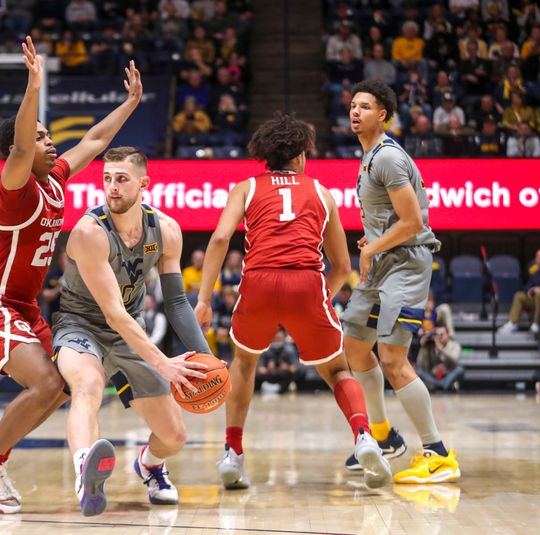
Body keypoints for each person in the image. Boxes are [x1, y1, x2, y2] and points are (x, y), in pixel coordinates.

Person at [0, 37, 144, 514]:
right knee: (44, 384)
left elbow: (94, 142)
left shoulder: (55, 180)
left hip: (23, 307)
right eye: (41, 137)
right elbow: (21, 143)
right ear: (18, 151)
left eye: (46, 136)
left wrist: (129, 103)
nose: (49, 141)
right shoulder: (14, 188)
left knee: (61, 386)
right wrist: (33, 84)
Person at [194, 111, 391, 491]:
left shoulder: (247, 187)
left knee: (245, 363)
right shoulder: (321, 192)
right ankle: (365, 437)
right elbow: (342, 265)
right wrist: (315, 300)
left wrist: (204, 299)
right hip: (306, 282)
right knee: (337, 371)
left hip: (259, 281)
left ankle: (233, 454)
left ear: (265, 155)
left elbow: (219, 240)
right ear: (301, 155)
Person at [51, 146, 208, 516]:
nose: (112, 187)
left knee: (174, 436)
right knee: (87, 386)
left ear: (144, 184)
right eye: (107, 179)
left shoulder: (166, 231)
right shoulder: (90, 232)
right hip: (81, 325)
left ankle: (150, 465)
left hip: (127, 332)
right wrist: (165, 363)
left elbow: (177, 304)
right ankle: (84, 474)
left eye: (121, 179)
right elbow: (114, 313)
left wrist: (206, 358)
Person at [345, 79, 459, 483]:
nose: (355, 111)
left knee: (393, 360)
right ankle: (384, 437)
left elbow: (412, 223)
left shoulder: (388, 158)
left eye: (365, 106)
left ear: (384, 115)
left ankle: (438, 453)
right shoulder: (368, 156)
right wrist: (374, 240)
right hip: (383, 262)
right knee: (355, 346)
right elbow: (391, 221)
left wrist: (372, 248)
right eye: (353, 105)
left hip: (406, 264)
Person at [499, 247, 540, 334]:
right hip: (534, 299)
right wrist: (529, 290)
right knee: (519, 295)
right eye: (537, 256)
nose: (537, 258)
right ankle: (513, 323)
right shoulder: (534, 267)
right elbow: (528, 283)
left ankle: (536, 323)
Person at [415, 326, 464, 392]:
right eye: (437, 335)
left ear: (448, 335)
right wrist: (423, 347)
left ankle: (436, 386)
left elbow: (454, 361)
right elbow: (420, 364)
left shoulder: (455, 346)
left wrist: (441, 349)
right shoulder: (430, 346)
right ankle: (443, 386)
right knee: (418, 370)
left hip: (448, 375)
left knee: (460, 369)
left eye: (442, 334)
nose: (439, 337)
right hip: (433, 376)